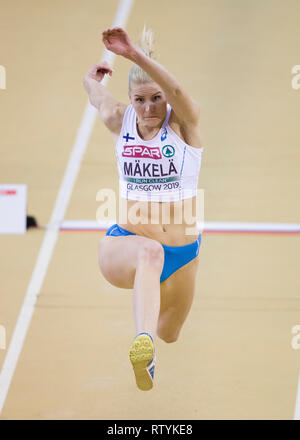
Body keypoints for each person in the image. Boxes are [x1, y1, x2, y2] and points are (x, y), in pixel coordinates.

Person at [83, 25, 204, 391]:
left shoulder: (184, 126)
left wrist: (134, 55)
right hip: (126, 244)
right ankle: (143, 346)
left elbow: (180, 92)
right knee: (149, 252)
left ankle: (154, 340)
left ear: (165, 98)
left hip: (184, 252)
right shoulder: (121, 122)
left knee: (171, 333)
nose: (148, 108)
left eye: (155, 98)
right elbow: (98, 97)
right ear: (130, 99)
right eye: (139, 100)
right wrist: (91, 80)